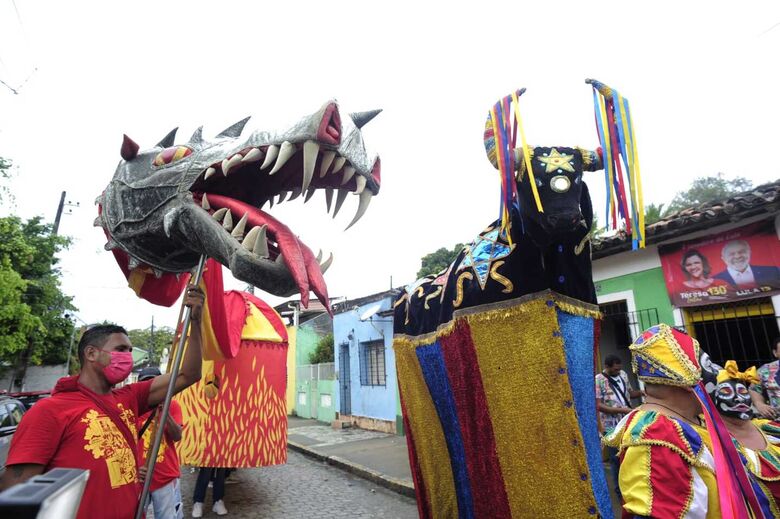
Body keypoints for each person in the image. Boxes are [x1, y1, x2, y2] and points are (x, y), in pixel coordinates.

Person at [0, 287, 204, 519]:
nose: (127, 357)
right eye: (120, 349)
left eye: (129, 350)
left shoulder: (129, 398)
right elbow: (17, 494)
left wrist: (196, 322)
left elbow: (188, 374)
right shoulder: (49, 410)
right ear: (91, 354)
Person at [604, 324, 721, 518]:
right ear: (687, 379)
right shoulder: (656, 438)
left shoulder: (693, 420)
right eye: (708, 365)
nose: (718, 374)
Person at [711, 360, 780, 514]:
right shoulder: (709, 440)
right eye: (727, 392)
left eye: (743, 392)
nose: (739, 398)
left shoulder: (771, 429)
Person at [137, 367, 184, 519]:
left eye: (154, 383)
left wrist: (165, 413)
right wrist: (133, 468)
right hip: (139, 477)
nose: (150, 388)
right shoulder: (134, 409)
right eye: (145, 384)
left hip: (165, 477)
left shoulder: (173, 406)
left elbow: (177, 436)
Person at [594, 354, 643, 498]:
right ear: (607, 367)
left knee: (631, 454)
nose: (618, 371)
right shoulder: (598, 380)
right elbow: (598, 405)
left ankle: (632, 487)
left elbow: (629, 393)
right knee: (615, 459)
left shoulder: (623, 374)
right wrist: (621, 410)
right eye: (615, 370)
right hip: (610, 426)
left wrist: (641, 393)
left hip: (627, 422)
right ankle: (619, 492)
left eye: (619, 369)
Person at [714, 240, 780, 288]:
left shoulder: (774, 271)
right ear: (723, 258)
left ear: (750, 253)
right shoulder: (715, 280)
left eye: (742, 252)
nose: (737, 256)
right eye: (731, 254)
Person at [750, 337, 780, 419]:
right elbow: (754, 389)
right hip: (777, 420)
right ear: (775, 353)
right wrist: (759, 404)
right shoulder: (765, 370)